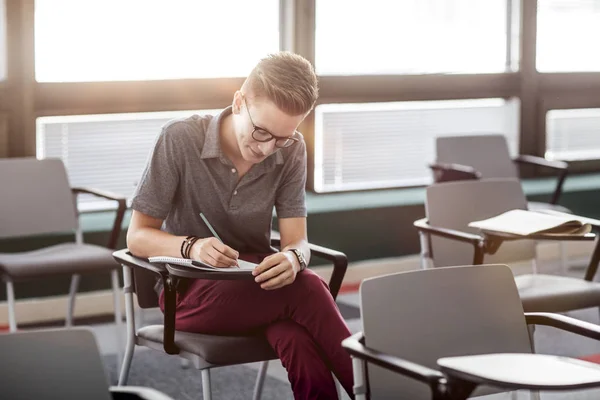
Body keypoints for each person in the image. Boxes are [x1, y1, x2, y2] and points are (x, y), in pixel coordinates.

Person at [127, 51, 354, 399]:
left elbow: (297, 241)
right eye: (261, 131)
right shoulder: (179, 138)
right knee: (306, 290)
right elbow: (137, 236)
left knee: (295, 336)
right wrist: (192, 246)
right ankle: (381, 390)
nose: (267, 148)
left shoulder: (291, 149)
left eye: (282, 137)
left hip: (260, 287)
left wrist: (294, 259)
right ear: (238, 103)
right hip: (187, 292)